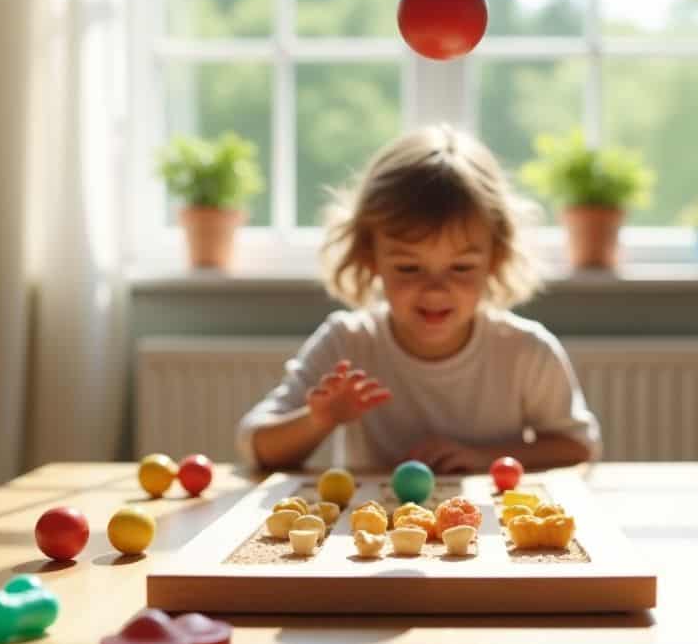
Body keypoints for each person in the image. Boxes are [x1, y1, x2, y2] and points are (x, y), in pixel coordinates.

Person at [236, 124, 600, 473]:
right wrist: (319, 420)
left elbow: (578, 446)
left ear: (496, 257)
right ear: (369, 256)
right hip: (373, 533)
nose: (435, 289)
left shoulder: (525, 351)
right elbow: (256, 447)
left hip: (488, 530)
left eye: (460, 268)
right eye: (410, 268)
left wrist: (483, 457)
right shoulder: (348, 343)